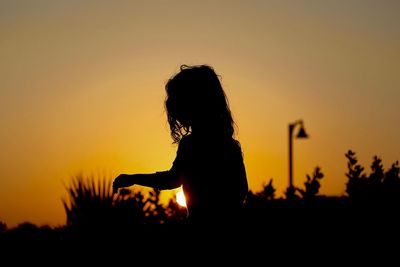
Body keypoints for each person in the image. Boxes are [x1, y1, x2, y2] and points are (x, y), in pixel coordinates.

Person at [112, 64, 248, 224]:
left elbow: (173, 179)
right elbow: (240, 190)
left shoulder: (193, 144)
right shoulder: (229, 145)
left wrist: (134, 178)